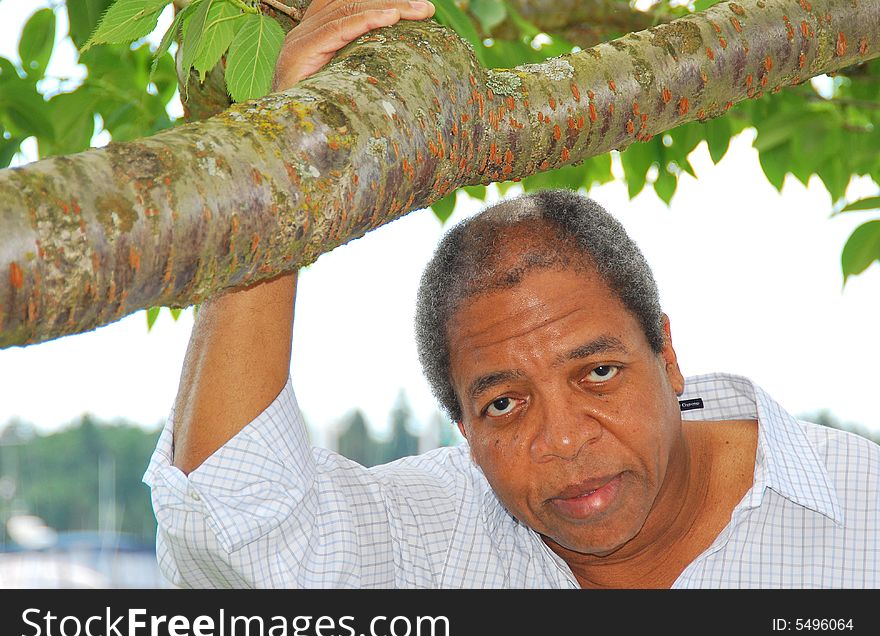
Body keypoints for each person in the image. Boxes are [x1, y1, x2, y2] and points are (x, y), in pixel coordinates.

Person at [144, 0, 880, 588]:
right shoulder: (432, 538)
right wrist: (282, 156)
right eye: (502, 402)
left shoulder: (864, 513)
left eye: (598, 372)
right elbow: (232, 529)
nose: (563, 439)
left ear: (668, 355)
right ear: (464, 431)